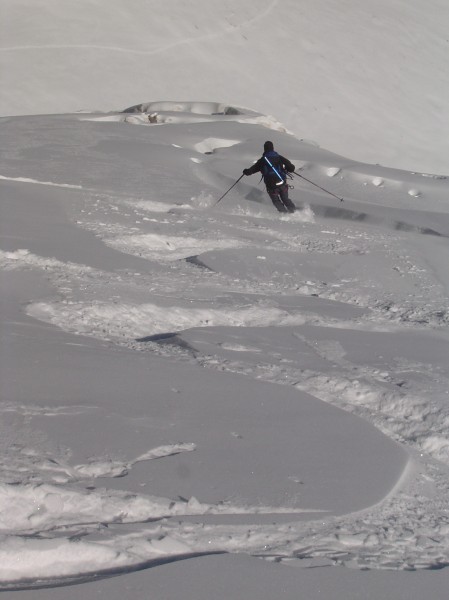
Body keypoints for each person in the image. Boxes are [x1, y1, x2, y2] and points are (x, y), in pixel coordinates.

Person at [243, 141, 296, 213]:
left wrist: (246, 171)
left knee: (276, 201)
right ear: (273, 148)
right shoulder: (279, 157)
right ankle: (294, 212)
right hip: (282, 183)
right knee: (285, 199)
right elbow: (291, 168)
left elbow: (251, 171)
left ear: (264, 149)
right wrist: (286, 168)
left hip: (271, 186)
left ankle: (284, 214)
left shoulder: (262, 161)